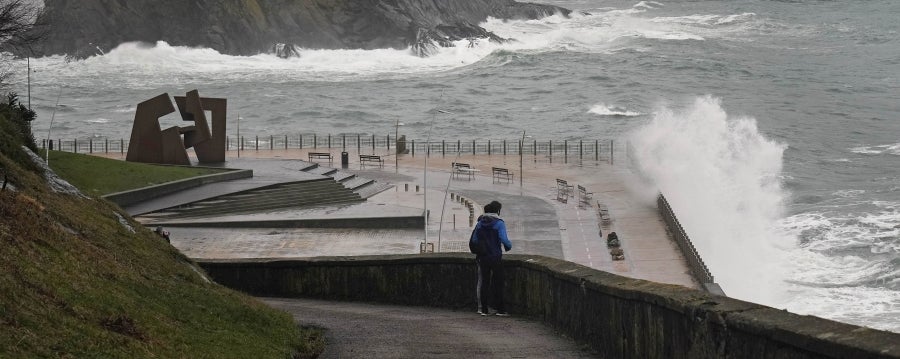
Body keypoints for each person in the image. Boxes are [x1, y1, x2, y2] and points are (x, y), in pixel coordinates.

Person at [469, 200, 512, 316]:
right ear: (497, 211)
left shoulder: (480, 223)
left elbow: (474, 240)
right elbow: (504, 239)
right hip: (495, 256)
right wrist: (509, 246)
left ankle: (484, 309)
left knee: (484, 283)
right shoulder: (499, 223)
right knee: (498, 283)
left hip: (483, 257)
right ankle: (501, 310)